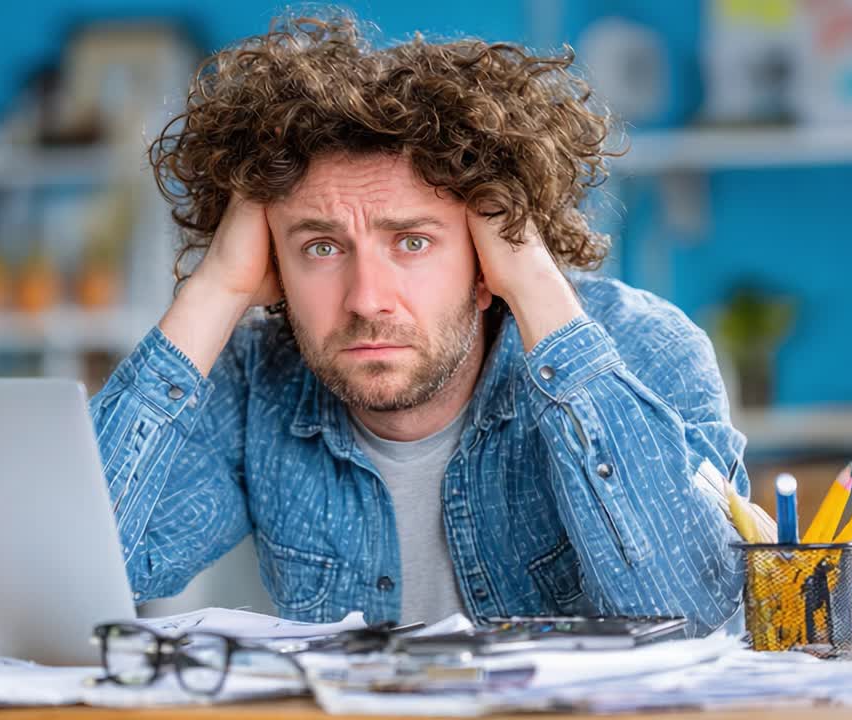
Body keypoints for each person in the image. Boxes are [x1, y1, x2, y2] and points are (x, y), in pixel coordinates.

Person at [90, 13, 747, 633]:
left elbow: (689, 617)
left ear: (488, 257)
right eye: (321, 248)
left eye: (411, 242)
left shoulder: (647, 351)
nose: (367, 300)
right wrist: (215, 288)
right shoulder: (254, 378)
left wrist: (532, 280)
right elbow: (82, 575)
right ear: (273, 264)